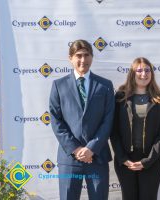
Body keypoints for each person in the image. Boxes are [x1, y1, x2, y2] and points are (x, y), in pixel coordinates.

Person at [49, 39, 114, 200]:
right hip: (69, 158)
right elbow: (56, 121)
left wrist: (91, 148)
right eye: (78, 55)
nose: (83, 60)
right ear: (70, 58)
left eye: (87, 55)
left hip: (97, 156)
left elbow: (108, 120)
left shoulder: (105, 85)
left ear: (92, 57)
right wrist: (76, 149)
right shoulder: (59, 85)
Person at [110, 57, 160, 200]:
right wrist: (123, 159)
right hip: (126, 162)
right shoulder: (120, 97)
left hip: (152, 161)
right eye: (139, 70)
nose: (144, 74)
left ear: (152, 73)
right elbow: (114, 132)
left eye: (147, 70)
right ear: (132, 73)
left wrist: (147, 161)